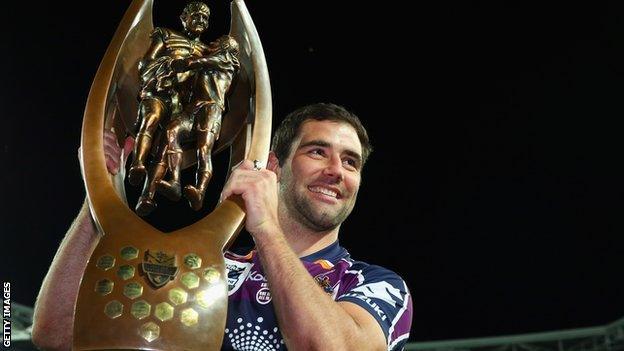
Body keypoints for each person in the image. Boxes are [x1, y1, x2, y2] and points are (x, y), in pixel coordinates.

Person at [31, 103, 413, 350]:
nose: (335, 171)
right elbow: (57, 334)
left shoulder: (375, 285)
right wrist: (98, 198)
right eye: (317, 152)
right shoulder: (208, 267)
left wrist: (265, 229)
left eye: (351, 162)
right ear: (273, 168)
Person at [128, 1, 212, 187]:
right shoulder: (166, 35)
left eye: (204, 18)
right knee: (151, 118)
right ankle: (137, 163)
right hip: (158, 91)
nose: (200, 20)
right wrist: (168, 65)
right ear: (184, 19)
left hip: (181, 105)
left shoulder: (208, 52)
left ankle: (148, 193)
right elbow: (146, 63)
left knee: (167, 143)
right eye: (196, 16)